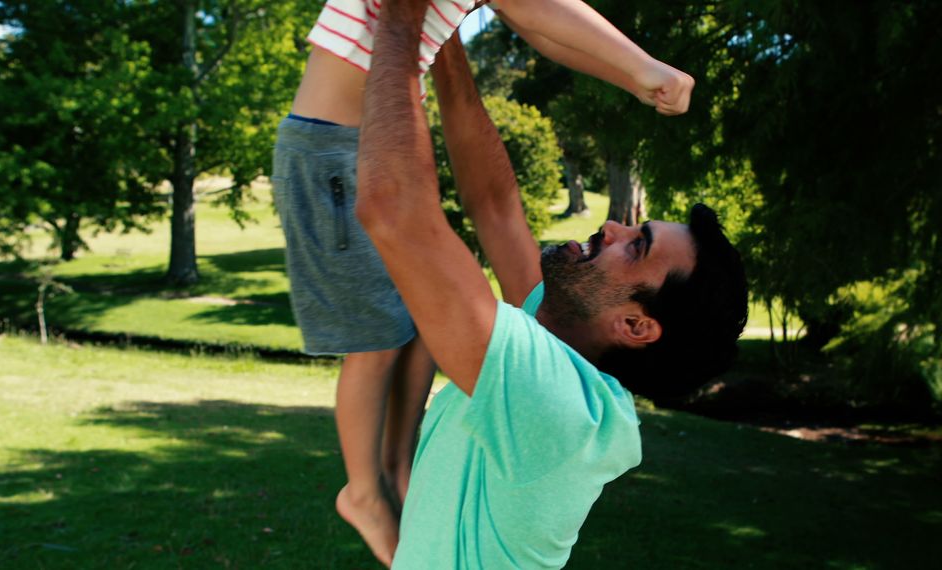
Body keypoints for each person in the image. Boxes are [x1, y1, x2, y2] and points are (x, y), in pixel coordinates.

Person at [273, 0, 696, 566]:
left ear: (637, 324)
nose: (614, 227)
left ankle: (373, 489)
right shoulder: (563, 342)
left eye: (636, 246)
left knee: (402, 331)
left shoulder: (566, 412)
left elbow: (394, 210)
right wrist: (438, 35)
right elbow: (494, 206)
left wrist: (402, 18)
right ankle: (392, 471)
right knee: (421, 324)